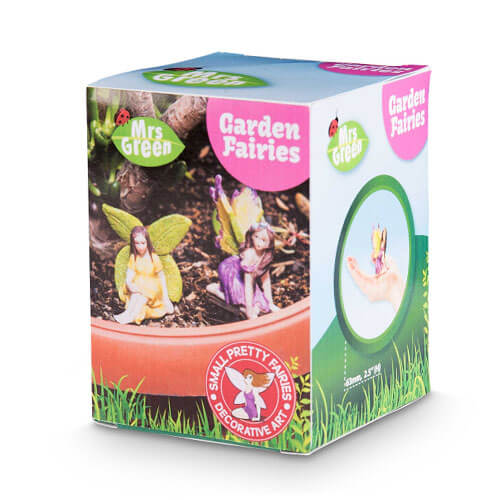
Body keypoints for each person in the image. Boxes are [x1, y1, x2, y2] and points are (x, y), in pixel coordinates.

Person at [207, 222, 280, 319]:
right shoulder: (249, 254)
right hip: (231, 271)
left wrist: (270, 303)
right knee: (239, 296)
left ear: (269, 243)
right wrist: (249, 311)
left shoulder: (265, 256)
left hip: (245, 276)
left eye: (263, 240)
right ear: (251, 236)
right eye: (256, 237)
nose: (258, 242)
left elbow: (265, 280)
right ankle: (219, 291)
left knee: (261, 303)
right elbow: (248, 284)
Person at [114, 226, 174, 324]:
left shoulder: (153, 258)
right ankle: (127, 313)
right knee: (136, 294)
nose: (140, 247)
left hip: (152, 286)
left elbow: (161, 277)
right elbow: (130, 274)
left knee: (142, 296)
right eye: (137, 243)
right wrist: (129, 284)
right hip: (139, 283)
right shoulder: (134, 258)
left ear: (147, 242)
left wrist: (165, 298)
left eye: (143, 243)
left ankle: (133, 316)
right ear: (133, 244)